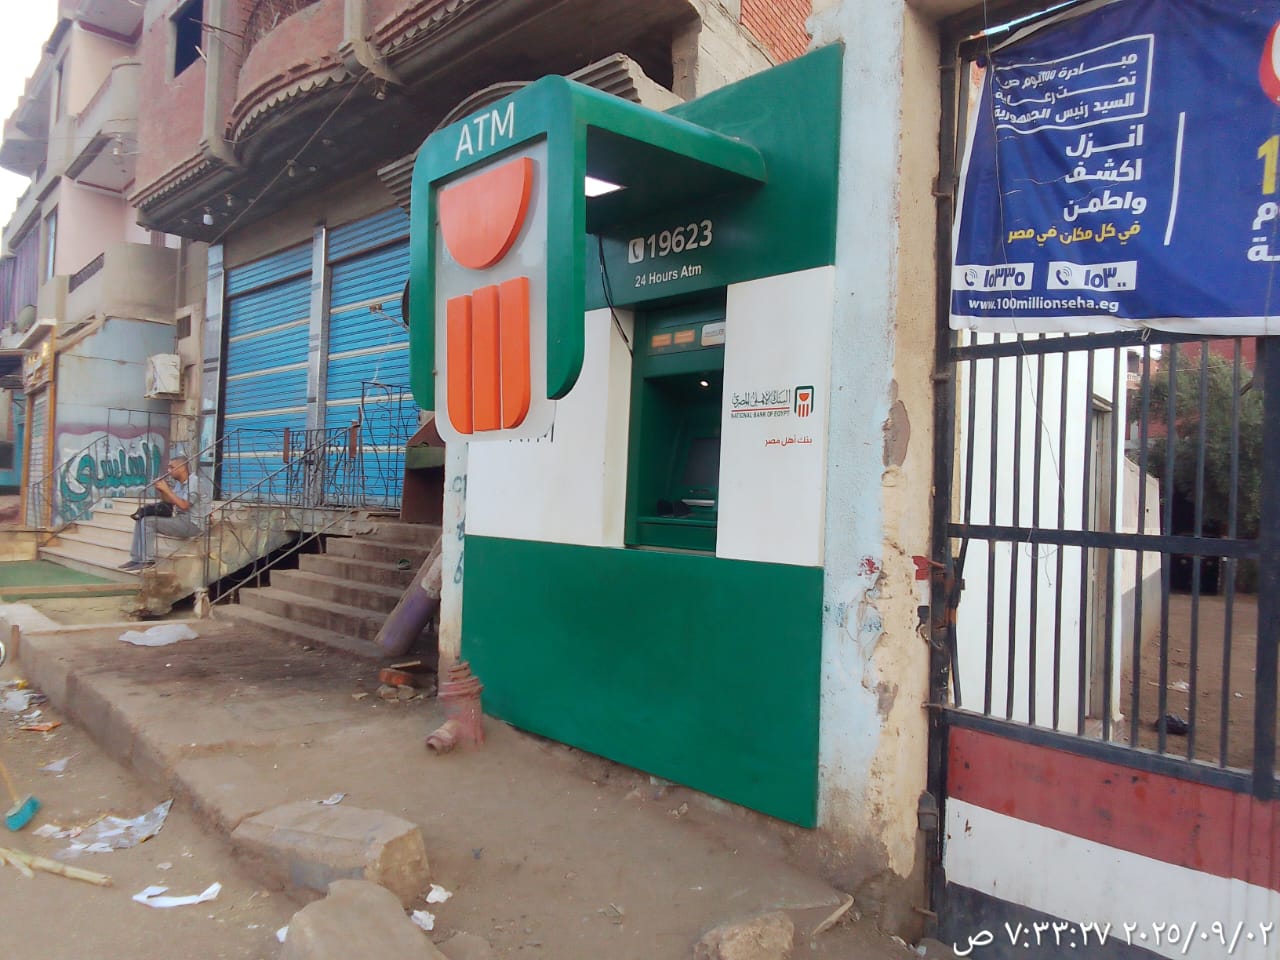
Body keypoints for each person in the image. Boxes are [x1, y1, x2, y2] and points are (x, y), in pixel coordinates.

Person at [119, 456, 212, 571]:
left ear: (182, 468)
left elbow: (184, 505)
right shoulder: (179, 483)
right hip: (181, 519)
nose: (169, 470)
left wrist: (168, 490)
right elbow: (169, 501)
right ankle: (136, 558)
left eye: (172, 467)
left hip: (194, 524)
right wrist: (162, 491)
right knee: (141, 518)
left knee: (148, 522)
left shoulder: (194, 482)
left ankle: (147, 560)